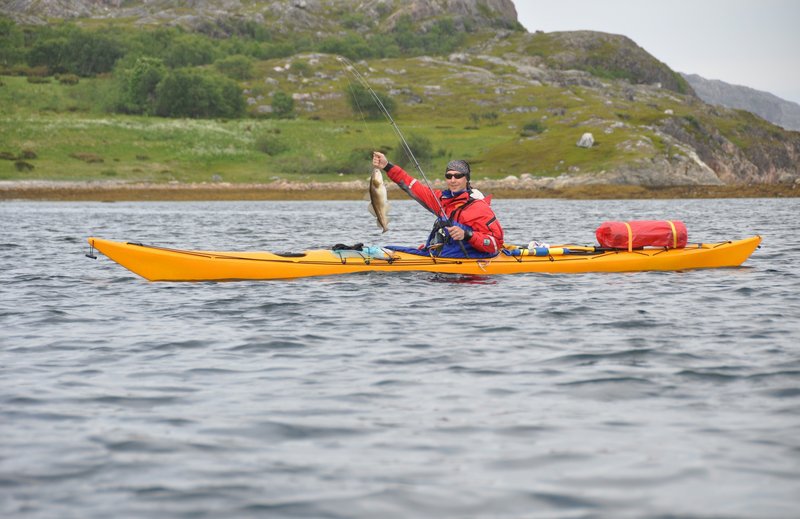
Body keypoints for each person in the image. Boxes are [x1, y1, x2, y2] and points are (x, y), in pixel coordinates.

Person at [372, 151, 504, 258]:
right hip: (442, 256)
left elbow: (495, 244)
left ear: (467, 179)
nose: (453, 180)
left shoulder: (479, 208)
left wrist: (468, 235)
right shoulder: (442, 200)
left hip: (470, 267)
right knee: (389, 249)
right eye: (449, 176)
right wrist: (387, 166)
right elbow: (411, 184)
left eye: (458, 176)